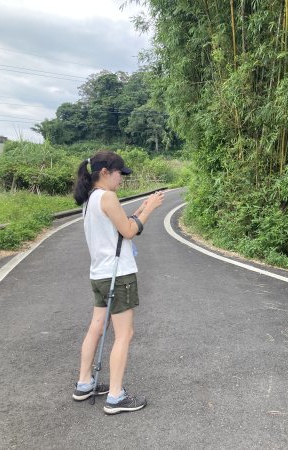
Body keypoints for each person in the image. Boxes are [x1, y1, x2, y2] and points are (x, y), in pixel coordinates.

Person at [71, 151, 164, 414]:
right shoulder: (108, 197)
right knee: (125, 334)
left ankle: (84, 382)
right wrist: (151, 210)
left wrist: (141, 209)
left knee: (96, 328)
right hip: (118, 276)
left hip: (99, 275)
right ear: (104, 173)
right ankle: (115, 396)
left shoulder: (90, 200)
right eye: (119, 174)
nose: (121, 179)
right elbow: (129, 231)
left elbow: (119, 227)